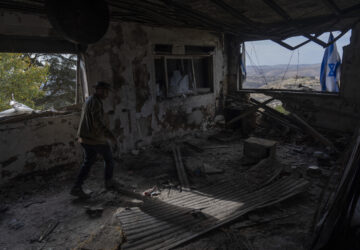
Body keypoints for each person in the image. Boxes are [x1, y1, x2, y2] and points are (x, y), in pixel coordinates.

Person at [70, 81, 118, 198]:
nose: (106, 94)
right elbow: (97, 122)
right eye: (104, 91)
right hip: (94, 138)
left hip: (85, 137)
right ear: (98, 90)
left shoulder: (90, 99)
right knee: (109, 159)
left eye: (107, 91)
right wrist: (110, 136)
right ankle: (109, 182)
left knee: (88, 162)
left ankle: (77, 187)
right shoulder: (95, 102)